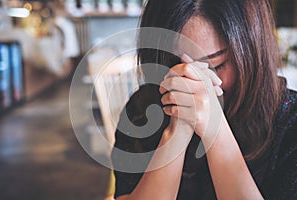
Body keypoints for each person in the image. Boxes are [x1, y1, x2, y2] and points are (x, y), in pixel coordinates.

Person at [111, 0, 297, 199]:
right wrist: (177, 131)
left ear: (251, 50)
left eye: (215, 66)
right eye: (175, 65)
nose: (193, 81)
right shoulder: (143, 108)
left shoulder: (290, 120)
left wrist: (215, 129)